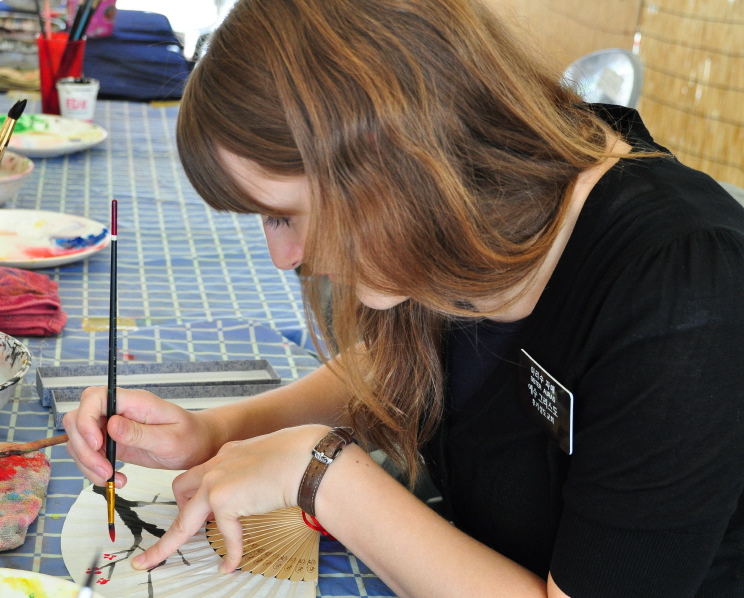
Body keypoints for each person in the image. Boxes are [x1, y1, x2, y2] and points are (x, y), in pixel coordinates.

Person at [64, 0, 744, 595]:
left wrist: (322, 472)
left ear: (389, 161)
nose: (284, 258)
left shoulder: (684, 298)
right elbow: (410, 364)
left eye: (284, 216)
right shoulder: (475, 200)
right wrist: (223, 430)